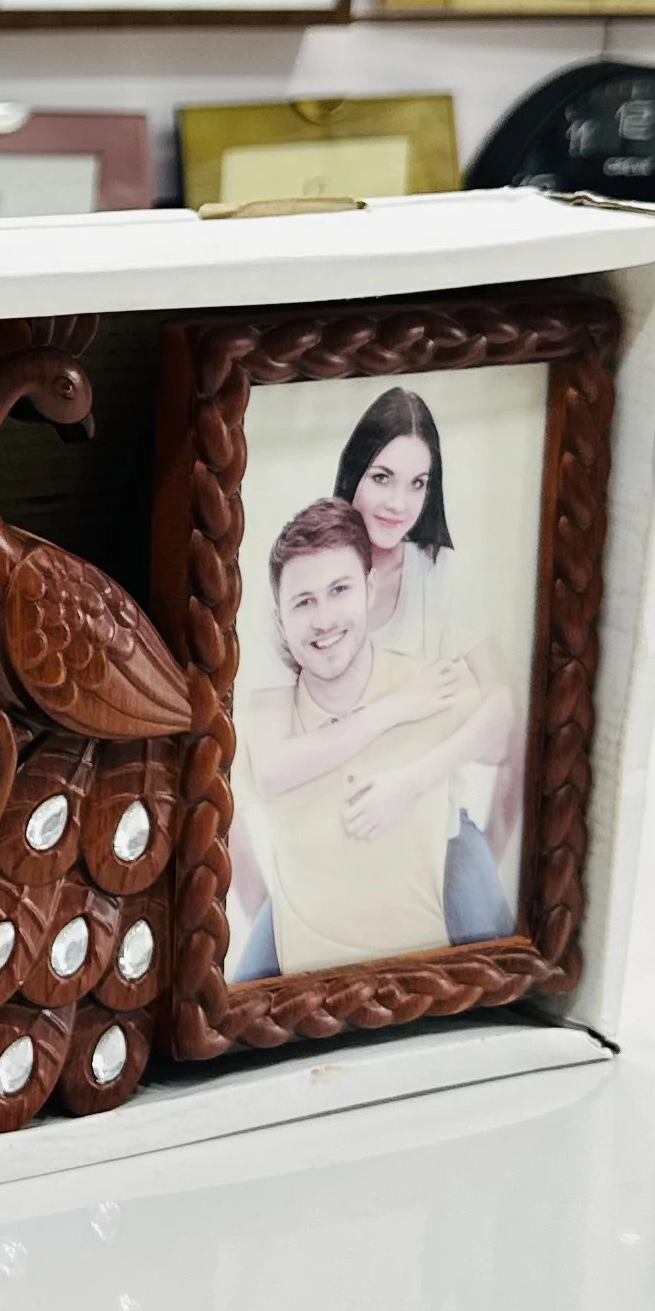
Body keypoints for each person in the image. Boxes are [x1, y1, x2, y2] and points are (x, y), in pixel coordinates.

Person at [228, 498, 515, 981]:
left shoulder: (427, 685)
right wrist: (269, 923)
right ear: (279, 620)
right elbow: (227, 815)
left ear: (370, 589)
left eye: (339, 590)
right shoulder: (267, 720)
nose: (323, 618)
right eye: (303, 601)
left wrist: (421, 783)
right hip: (306, 995)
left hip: (421, 986)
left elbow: (504, 731)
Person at [332, 385, 523, 932]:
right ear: (354, 474)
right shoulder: (317, 569)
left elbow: (503, 707)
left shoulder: (439, 574)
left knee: (489, 938)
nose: (399, 503)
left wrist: (410, 781)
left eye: (418, 483)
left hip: (437, 829)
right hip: (336, 838)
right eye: (383, 477)